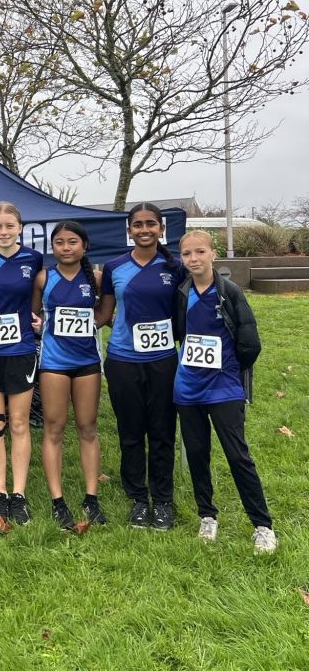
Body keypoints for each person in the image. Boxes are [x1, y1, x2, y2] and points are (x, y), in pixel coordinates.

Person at [173, 231, 277, 553]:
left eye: (200, 252)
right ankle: (207, 515)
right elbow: (180, 333)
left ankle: (262, 525)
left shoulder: (230, 292)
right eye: (187, 253)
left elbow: (250, 342)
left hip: (224, 388)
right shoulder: (182, 293)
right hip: (188, 388)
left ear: (213, 254)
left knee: (237, 455)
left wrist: (229, 368)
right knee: (197, 453)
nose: (193, 259)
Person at [98, 202, 184, 531]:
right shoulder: (114, 267)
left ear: (161, 229)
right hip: (123, 361)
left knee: (162, 430)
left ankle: (162, 500)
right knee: (131, 431)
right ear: (129, 230)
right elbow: (105, 314)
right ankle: (137, 497)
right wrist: (51, 323)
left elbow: (186, 311)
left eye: (150, 223)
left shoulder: (176, 267)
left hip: (163, 361)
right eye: (138, 224)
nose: (144, 229)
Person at [0, 202, 44, 524]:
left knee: (19, 423)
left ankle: (19, 494)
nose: (3, 232)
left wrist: (38, 317)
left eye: (9, 226)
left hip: (21, 349)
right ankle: (0, 493)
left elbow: (41, 295)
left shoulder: (33, 259)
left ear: (20, 228)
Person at [34, 220, 105, 529]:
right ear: (52, 247)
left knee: (88, 427)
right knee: (54, 427)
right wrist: (41, 325)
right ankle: (58, 500)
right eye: (59, 242)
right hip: (54, 362)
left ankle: (91, 498)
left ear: (84, 246)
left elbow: (105, 314)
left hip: (87, 361)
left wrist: (87, 325)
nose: (66, 248)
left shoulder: (97, 278)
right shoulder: (43, 277)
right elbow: (33, 312)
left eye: (72, 242)